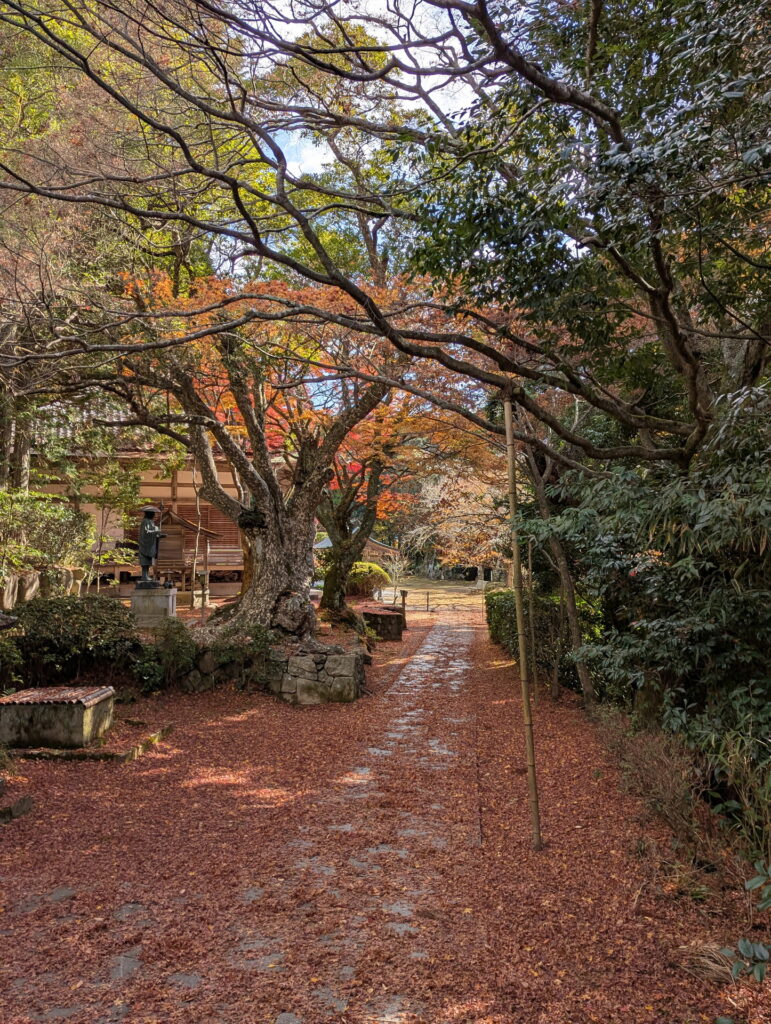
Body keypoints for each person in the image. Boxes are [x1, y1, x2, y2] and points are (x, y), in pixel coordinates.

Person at [137, 506, 166, 584]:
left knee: (148, 561)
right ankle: (144, 575)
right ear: (150, 514)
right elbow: (146, 533)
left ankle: (146, 575)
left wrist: (158, 535)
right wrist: (156, 532)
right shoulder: (145, 521)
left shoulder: (150, 522)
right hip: (145, 545)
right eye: (153, 514)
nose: (154, 515)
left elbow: (152, 531)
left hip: (150, 545)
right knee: (145, 561)